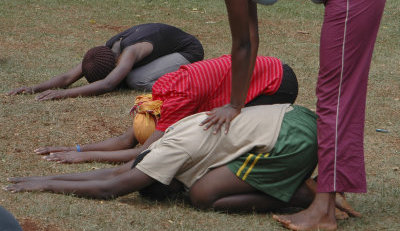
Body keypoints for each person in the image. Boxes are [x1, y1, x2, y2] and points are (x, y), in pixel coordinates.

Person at [170, 0, 387, 230]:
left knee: (335, 96)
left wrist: (233, 106)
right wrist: (239, 102)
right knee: (338, 94)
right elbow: (252, 38)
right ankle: (328, 192)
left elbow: (242, 44)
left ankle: (323, 210)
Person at [5, 104, 319, 211]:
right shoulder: (161, 143)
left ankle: (306, 195)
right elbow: (118, 172)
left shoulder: (170, 154)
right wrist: (49, 176)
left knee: (203, 195)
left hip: (289, 140)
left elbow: (110, 188)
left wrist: (45, 184)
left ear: (167, 181)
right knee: (203, 187)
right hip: (292, 118)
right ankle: (295, 185)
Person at [35, 54, 298, 164]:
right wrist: (76, 148)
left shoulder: (178, 99)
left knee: (221, 139)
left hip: (275, 85)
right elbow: (128, 139)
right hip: (268, 68)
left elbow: (145, 152)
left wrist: (84, 157)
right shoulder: (163, 87)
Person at [6, 23, 204, 100]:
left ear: (116, 65)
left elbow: (108, 84)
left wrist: (63, 94)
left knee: (136, 80)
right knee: (128, 77)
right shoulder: (105, 51)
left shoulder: (130, 51)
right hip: (163, 48)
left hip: (189, 51)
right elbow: (68, 77)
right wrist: (33, 88)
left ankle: (190, 81)